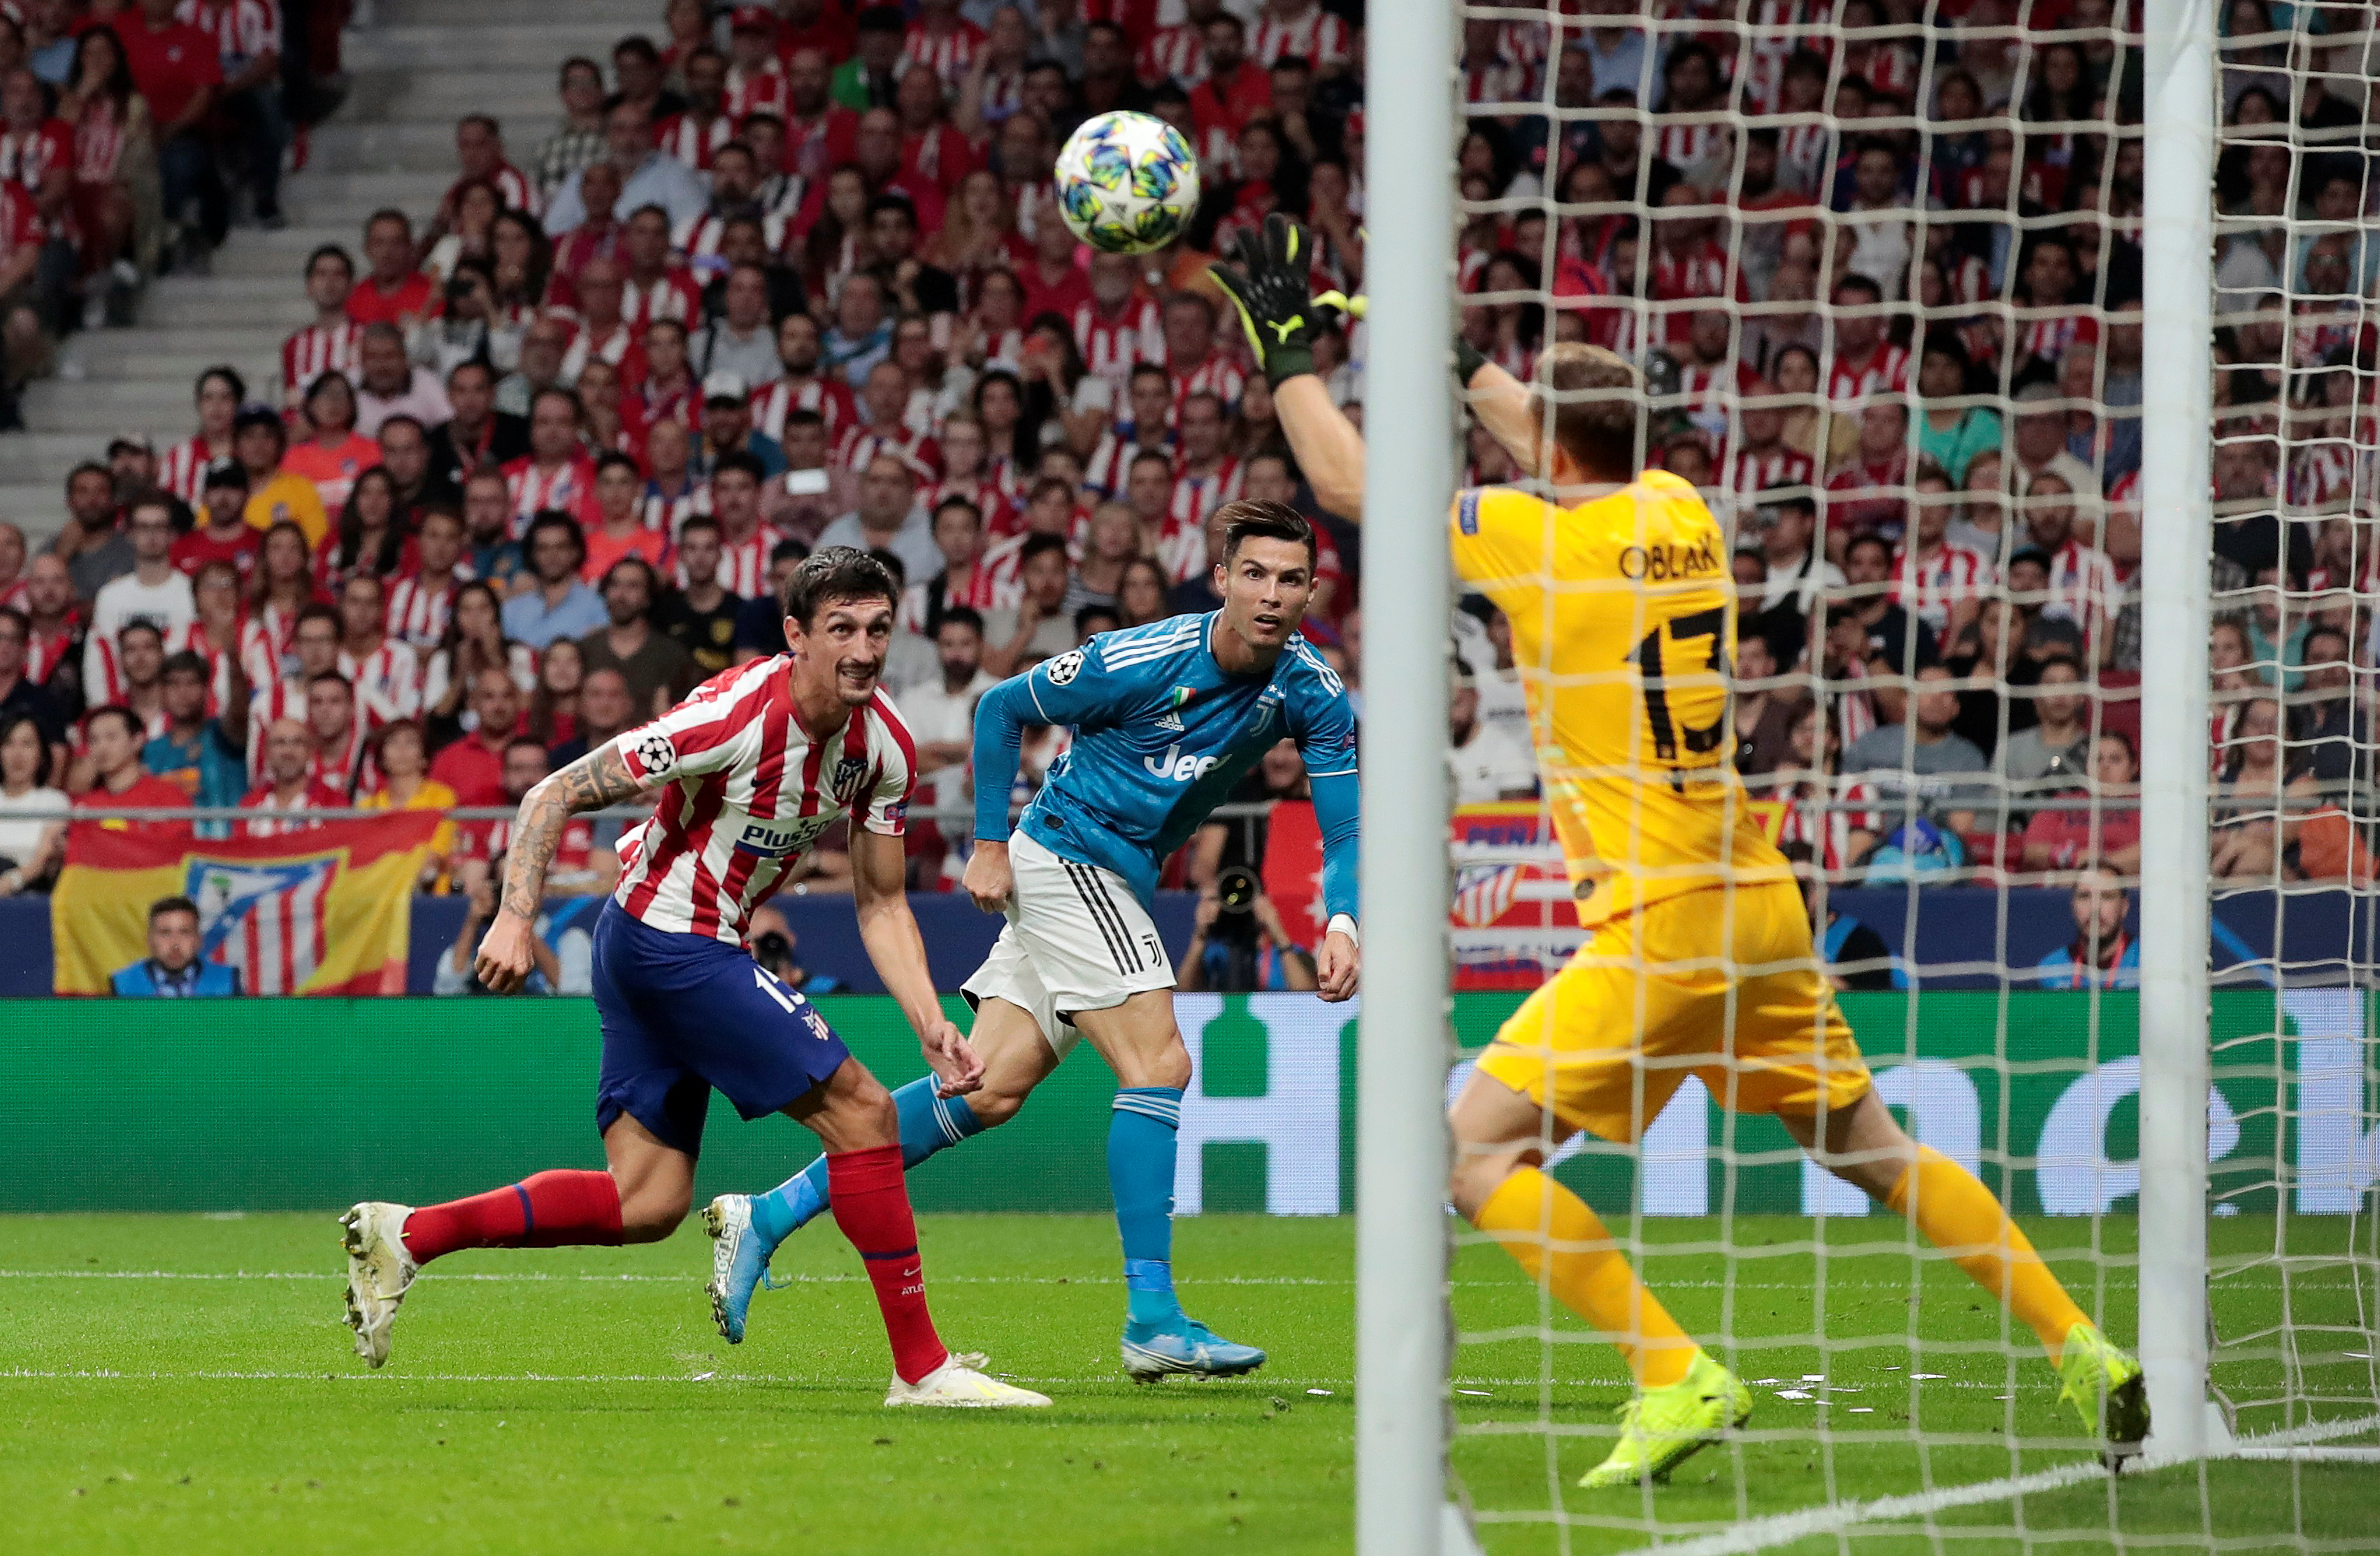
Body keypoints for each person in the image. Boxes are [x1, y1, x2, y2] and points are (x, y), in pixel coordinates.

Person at [1216, 214, 2146, 1479]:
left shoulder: (1537, 544)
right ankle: (2076, 1340)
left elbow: (1345, 488)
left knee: (1469, 1152)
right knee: (1866, 1147)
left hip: (1656, 922)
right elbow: (1555, 427)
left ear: (1551, 449)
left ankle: (1674, 1375)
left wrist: (1288, 359)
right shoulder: (1680, 512)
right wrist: (1427, 342)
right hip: (1756, 901)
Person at [338, 546, 1047, 1410]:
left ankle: (406, 1233)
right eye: (840, 630)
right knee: (863, 1114)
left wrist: (928, 1019)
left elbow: (881, 901)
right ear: (795, 635)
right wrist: (515, 916)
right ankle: (921, 1368)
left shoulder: (883, 744)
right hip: (671, 942)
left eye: (877, 629)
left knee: (648, 1200)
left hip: (654, 941)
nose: (862, 648)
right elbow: (551, 794)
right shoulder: (731, 718)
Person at [708, 502, 1360, 1382]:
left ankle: (767, 1213)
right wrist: (985, 841)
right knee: (1159, 1063)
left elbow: (1345, 828)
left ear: (1311, 589)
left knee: (984, 1091)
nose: (1271, 594)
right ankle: (1153, 1314)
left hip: (1113, 875)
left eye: (1290, 579)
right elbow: (1000, 707)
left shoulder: (1312, 691)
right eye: (1254, 573)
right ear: (1221, 579)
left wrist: (1343, 921)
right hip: (1062, 852)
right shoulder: (1142, 658)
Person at [2033, 862, 2139, 989]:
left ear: (2124, 907)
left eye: (2107, 896)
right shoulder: (2051, 970)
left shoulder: (2147, 963)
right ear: (2073, 906)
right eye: (2085, 896)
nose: (2095, 908)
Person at [110, 894, 240, 997]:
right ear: (150, 940)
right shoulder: (124, 983)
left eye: (185, 932)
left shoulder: (227, 980)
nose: (175, 944)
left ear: (199, 940)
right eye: (165, 933)